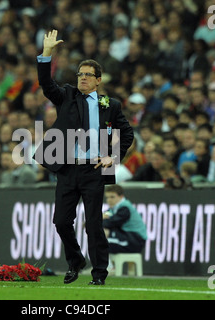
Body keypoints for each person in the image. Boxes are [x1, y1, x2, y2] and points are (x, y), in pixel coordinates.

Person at [34, 30, 134, 285]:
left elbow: (127, 133)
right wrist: (46, 54)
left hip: (94, 171)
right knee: (61, 222)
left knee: (93, 224)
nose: (83, 79)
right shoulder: (67, 96)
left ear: (98, 80)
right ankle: (76, 259)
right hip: (68, 169)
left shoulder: (110, 105)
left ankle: (99, 273)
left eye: (88, 75)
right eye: (80, 74)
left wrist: (114, 156)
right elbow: (46, 85)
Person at [103, 185, 147, 256]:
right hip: (127, 237)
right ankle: (109, 266)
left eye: (112, 197)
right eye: (107, 197)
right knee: (101, 238)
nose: (109, 200)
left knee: (101, 242)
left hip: (135, 240)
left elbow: (110, 223)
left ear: (121, 197)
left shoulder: (125, 208)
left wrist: (94, 223)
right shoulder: (113, 208)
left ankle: (108, 266)